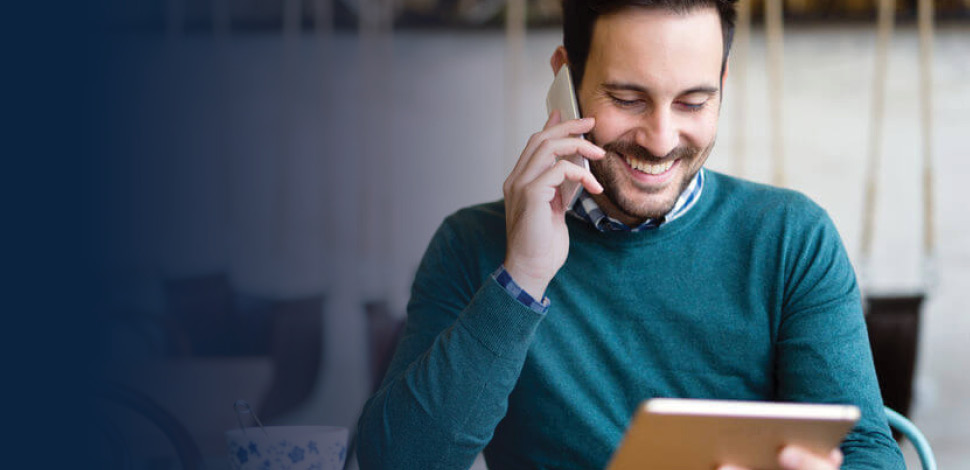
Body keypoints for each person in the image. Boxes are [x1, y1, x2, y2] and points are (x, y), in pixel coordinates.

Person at [356, 0, 905, 468]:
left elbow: (869, 451)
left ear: (722, 83)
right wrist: (521, 278)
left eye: (693, 101)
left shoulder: (791, 239)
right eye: (626, 99)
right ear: (564, 78)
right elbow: (393, 461)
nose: (662, 139)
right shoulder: (470, 246)